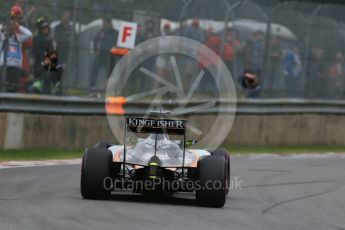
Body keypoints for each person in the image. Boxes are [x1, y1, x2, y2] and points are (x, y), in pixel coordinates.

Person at [0, 19, 32, 92]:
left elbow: (29, 34)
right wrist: (2, 26)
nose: (11, 30)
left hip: (16, 67)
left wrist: (18, 26)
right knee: (3, 88)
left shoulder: (19, 37)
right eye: (10, 27)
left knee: (14, 88)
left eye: (13, 28)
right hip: (4, 67)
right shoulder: (2, 37)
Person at [89, 17, 117, 93]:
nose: (103, 25)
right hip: (100, 55)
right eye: (103, 24)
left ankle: (107, 89)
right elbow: (95, 40)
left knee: (109, 74)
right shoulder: (101, 31)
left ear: (109, 24)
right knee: (94, 70)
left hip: (110, 56)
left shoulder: (115, 32)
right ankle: (92, 87)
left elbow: (114, 41)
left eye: (104, 24)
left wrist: (105, 36)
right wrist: (95, 50)